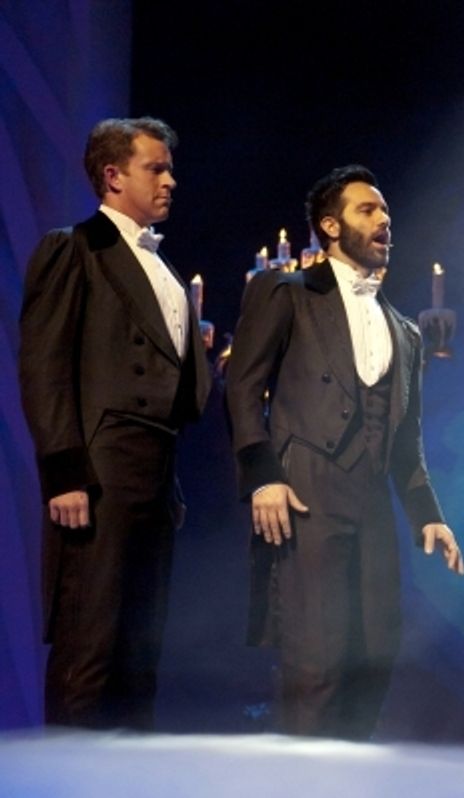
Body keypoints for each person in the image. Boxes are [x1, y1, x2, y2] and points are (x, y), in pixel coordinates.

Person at [224, 165, 464, 740]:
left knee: (376, 651)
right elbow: (241, 387)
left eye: (386, 211)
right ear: (330, 227)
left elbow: (407, 439)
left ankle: (349, 774)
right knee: (317, 662)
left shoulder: (405, 331)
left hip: (372, 503)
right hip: (305, 494)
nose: (384, 220)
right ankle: (299, 777)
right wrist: (262, 475)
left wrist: (427, 515)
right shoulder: (286, 292)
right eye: (367, 210)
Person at [18, 117, 211, 729]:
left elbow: (182, 394)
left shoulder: (167, 271)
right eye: (156, 168)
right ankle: (64, 776)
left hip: (156, 478)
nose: (170, 181)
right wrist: (64, 474)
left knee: (139, 659)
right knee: (90, 649)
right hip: (98, 476)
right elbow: (45, 366)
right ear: (112, 176)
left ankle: (128, 775)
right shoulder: (76, 247)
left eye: (169, 169)